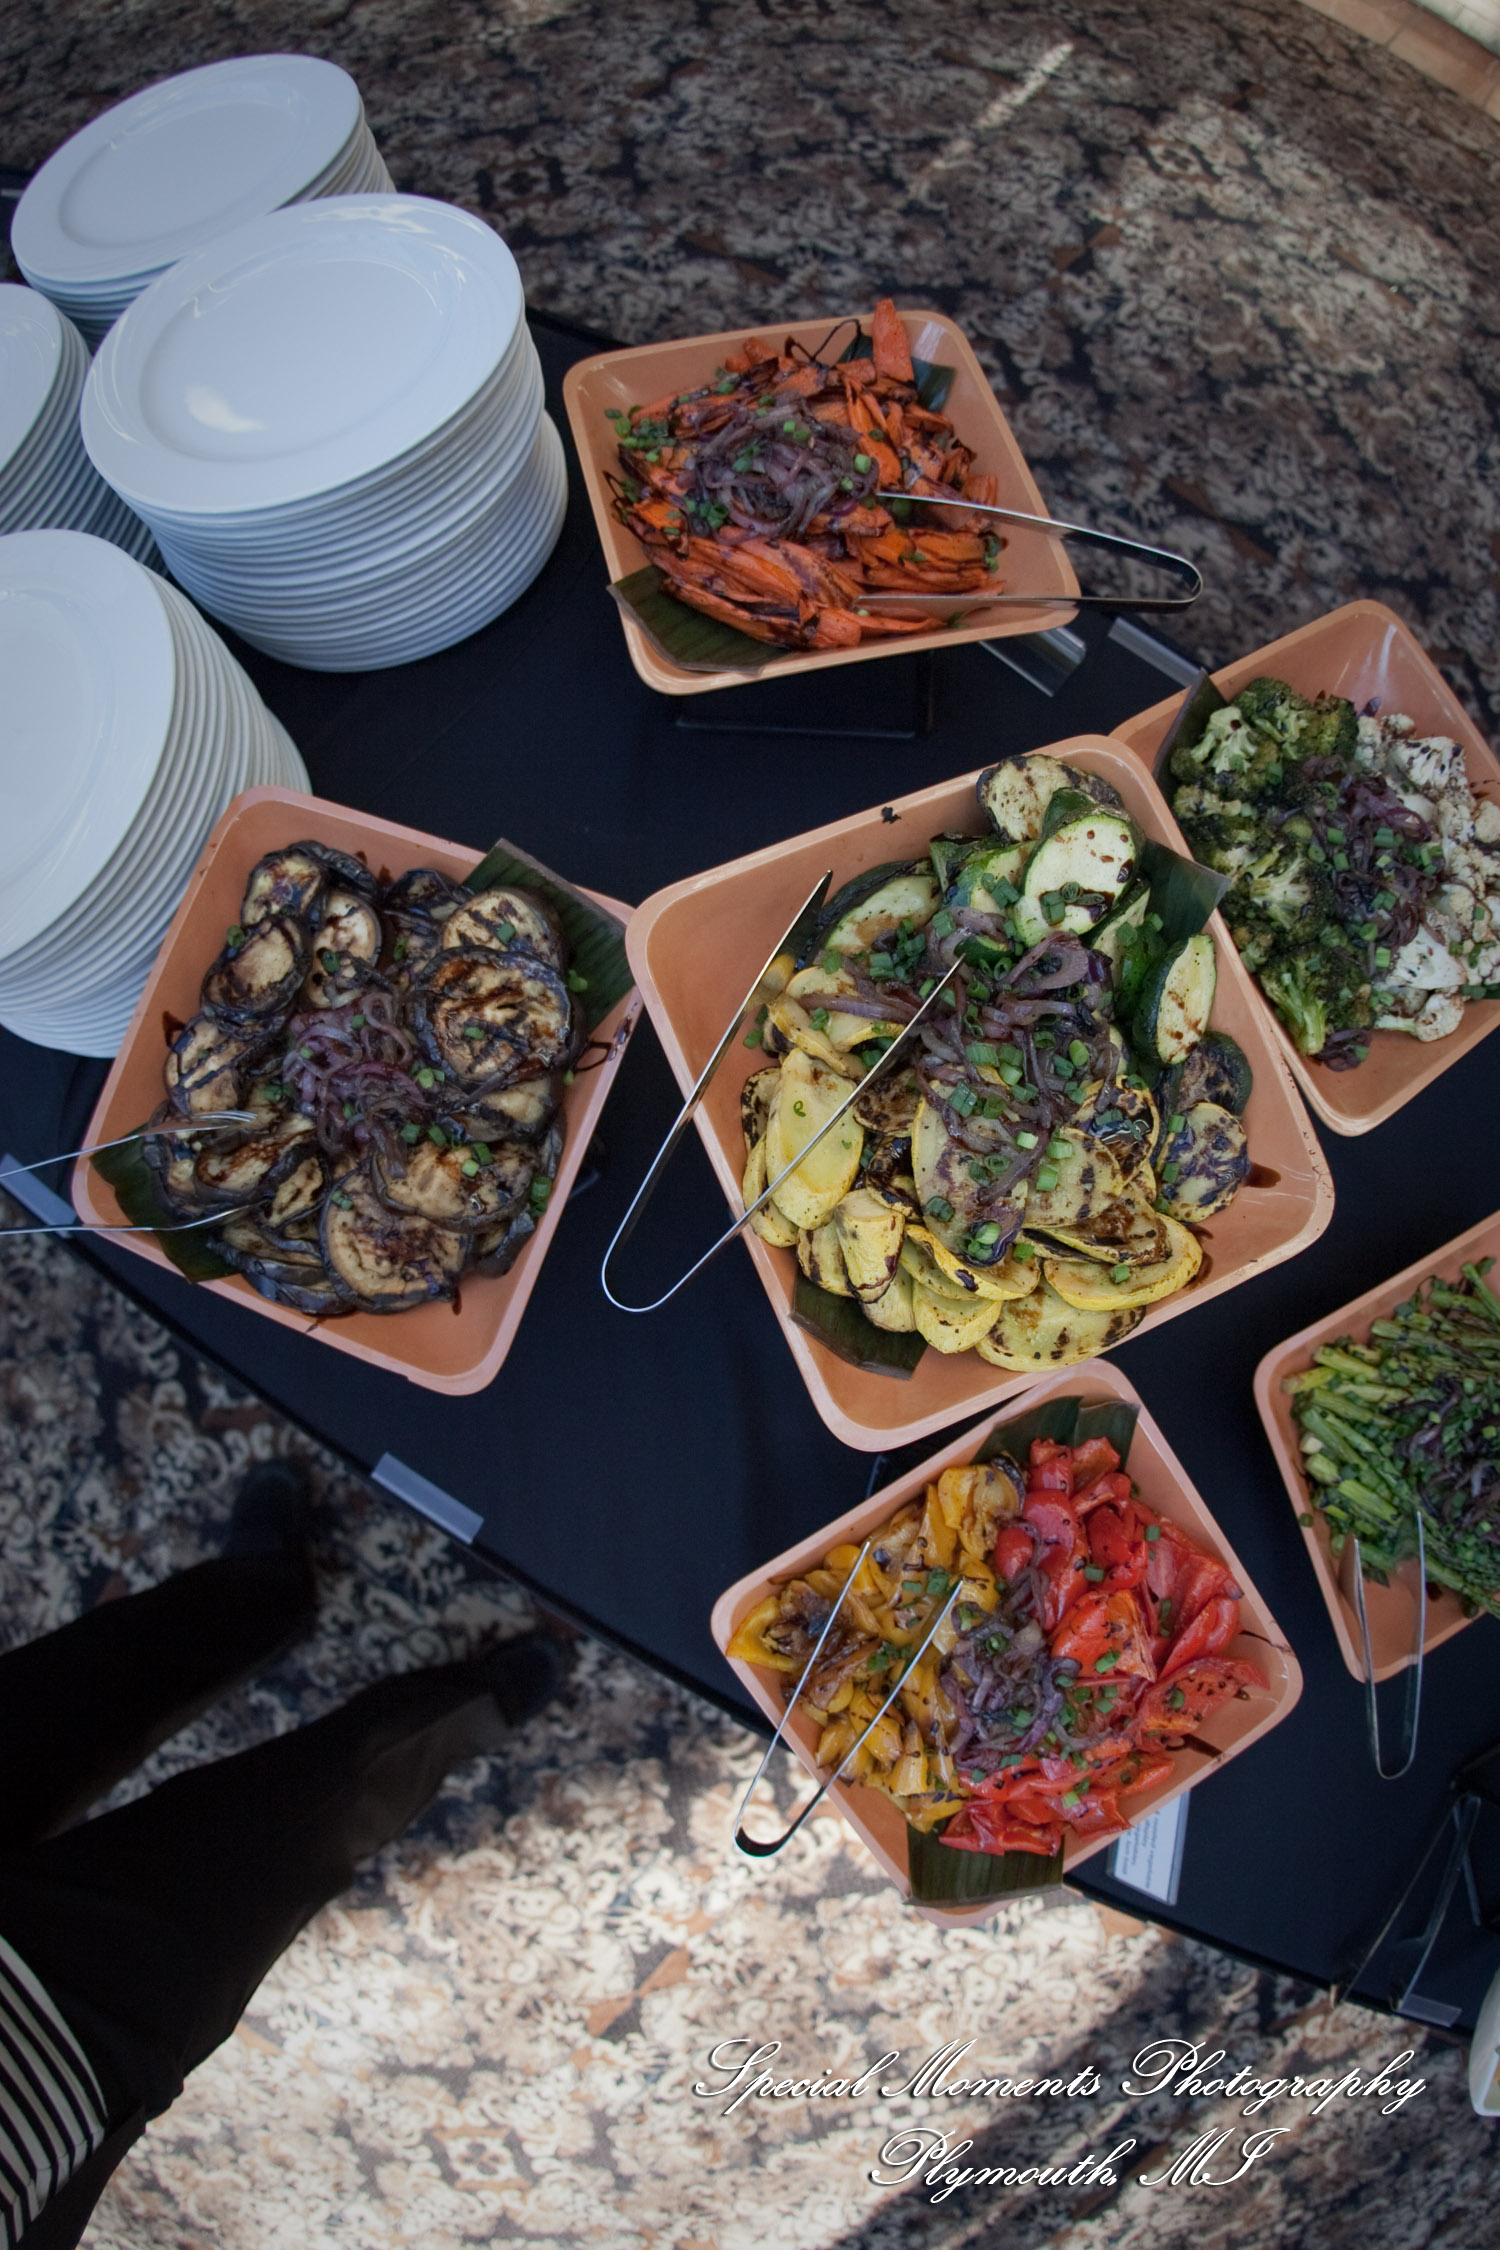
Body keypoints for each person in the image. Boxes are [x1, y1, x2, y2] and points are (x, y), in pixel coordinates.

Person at [0, 1459, 565, 2250]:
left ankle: (259, 1592)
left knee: (86, 1684)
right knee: (291, 1826)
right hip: (44, 2049)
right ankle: (464, 1711)